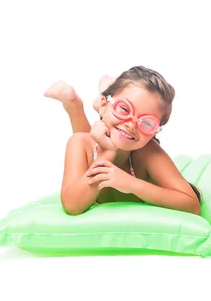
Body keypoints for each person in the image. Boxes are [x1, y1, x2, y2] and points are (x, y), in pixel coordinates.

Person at [44, 65, 201, 216]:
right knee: (91, 139)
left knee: (113, 129)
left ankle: (111, 101)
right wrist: (108, 152)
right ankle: (74, 104)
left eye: (147, 122)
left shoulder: (147, 151)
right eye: (125, 109)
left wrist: (131, 184)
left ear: (155, 130)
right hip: (104, 116)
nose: (132, 124)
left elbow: (192, 205)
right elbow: (72, 205)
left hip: (111, 112)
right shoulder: (78, 142)